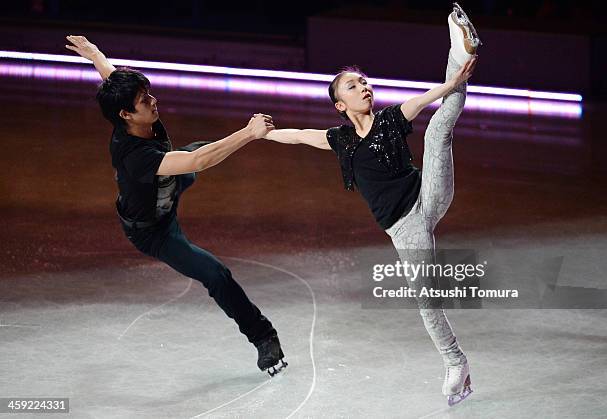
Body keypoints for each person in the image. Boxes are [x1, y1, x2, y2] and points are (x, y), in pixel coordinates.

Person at [263, 3, 480, 404]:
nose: (363, 87)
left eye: (365, 81)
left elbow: (426, 100)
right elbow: (296, 136)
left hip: (427, 194)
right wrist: (260, 134)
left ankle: (460, 48)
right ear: (340, 106)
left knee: (438, 133)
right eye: (352, 85)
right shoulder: (340, 140)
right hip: (403, 227)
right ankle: (456, 362)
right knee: (426, 301)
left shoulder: (391, 119)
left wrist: (453, 83)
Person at [65, 35, 287, 376]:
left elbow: (111, 78)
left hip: (167, 184)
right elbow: (199, 159)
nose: (154, 101)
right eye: (144, 100)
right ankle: (264, 337)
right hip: (153, 229)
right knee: (215, 273)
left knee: (196, 155)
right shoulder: (134, 155)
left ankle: (191, 166)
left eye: (149, 93)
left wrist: (95, 54)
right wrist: (248, 133)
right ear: (126, 114)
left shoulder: (131, 112)